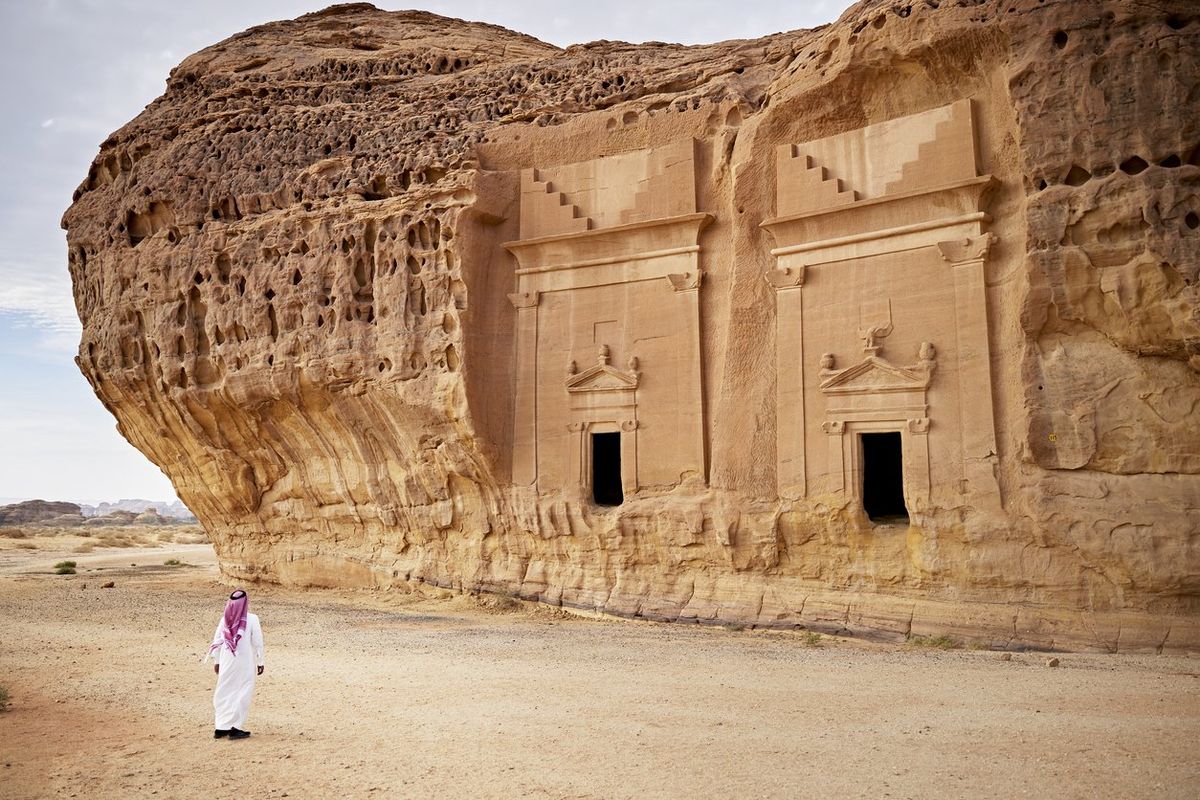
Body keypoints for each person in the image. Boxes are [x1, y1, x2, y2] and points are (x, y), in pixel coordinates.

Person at [206, 589, 264, 740]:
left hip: (226, 660)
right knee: (242, 691)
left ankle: (220, 727)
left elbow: (216, 640)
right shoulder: (252, 619)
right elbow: (258, 642)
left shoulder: (225, 619)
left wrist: (217, 661)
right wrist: (260, 661)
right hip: (244, 662)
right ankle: (235, 728)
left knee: (224, 690)